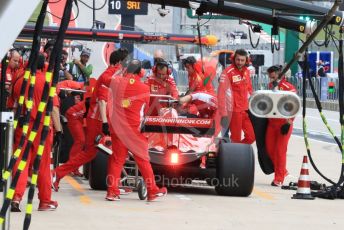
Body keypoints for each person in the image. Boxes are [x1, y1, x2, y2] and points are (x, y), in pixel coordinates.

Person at [51, 49, 128, 192]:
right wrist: (105, 123)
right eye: (124, 62)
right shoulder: (108, 76)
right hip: (98, 120)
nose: (126, 66)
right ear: (118, 62)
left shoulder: (114, 76)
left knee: (109, 151)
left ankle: (115, 185)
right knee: (91, 152)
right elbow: (102, 101)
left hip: (101, 119)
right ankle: (57, 173)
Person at [106, 60, 167, 201]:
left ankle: (112, 192)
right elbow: (144, 109)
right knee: (143, 160)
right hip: (133, 130)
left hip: (117, 128)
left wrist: (120, 72)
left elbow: (104, 80)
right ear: (140, 72)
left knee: (117, 160)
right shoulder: (144, 88)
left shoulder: (116, 82)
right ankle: (152, 191)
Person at [10, 54, 60, 211]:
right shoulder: (47, 81)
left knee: (21, 162)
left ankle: (16, 197)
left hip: (23, 126)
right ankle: (45, 201)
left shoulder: (19, 80)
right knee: (43, 164)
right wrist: (59, 130)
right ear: (42, 65)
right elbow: (54, 109)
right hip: (42, 128)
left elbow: (13, 105)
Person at [265, 65, 296, 186]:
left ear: (280, 75)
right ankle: (282, 170)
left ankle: (278, 179)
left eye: (273, 77)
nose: (271, 79)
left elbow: (294, 106)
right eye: (270, 77)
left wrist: (288, 122)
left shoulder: (289, 88)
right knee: (270, 150)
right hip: (272, 123)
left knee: (280, 151)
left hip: (284, 123)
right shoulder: (270, 86)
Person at [217, 49, 255, 144]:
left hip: (245, 110)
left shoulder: (247, 71)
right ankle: (235, 155)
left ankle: (235, 150)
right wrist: (224, 114)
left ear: (246, 60)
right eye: (238, 60)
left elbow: (250, 89)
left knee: (252, 137)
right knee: (236, 139)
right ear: (234, 59)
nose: (240, 62)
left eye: (242, 60)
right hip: (233, 111)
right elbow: (221, 94)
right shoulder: (227, 72)